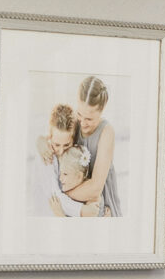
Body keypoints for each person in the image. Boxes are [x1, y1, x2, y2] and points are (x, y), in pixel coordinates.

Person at [31, 102, 105, 217]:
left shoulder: (76, 152)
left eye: (66, 145)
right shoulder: (46, 156)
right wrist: (83, 210)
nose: (61, 151)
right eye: (57, 145)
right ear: (49, 137)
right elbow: (55, 196)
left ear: (74, 140)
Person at [71, 74, 121, 216]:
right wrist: (42, 144)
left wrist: (64, 193)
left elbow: (95, 188)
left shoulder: (106, 132)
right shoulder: (75, 121)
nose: (82, 122)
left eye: (89, 118)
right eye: (79, 114)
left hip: (102, 202)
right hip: (79, 200)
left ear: (102, 110)